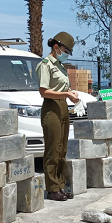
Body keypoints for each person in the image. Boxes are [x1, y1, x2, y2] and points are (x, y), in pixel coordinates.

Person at [36, 31, 81, 201]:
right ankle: (52, 188)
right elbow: (44, 91)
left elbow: (61, 88)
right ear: (56, 47)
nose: (67, 54)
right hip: (51, 108)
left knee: (62, 149)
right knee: (53, 150)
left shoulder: (61, 67)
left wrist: (70, 93)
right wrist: (66, 94)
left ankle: (61, 185)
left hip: (63, 106)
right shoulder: (45, 64)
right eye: (66, 50)